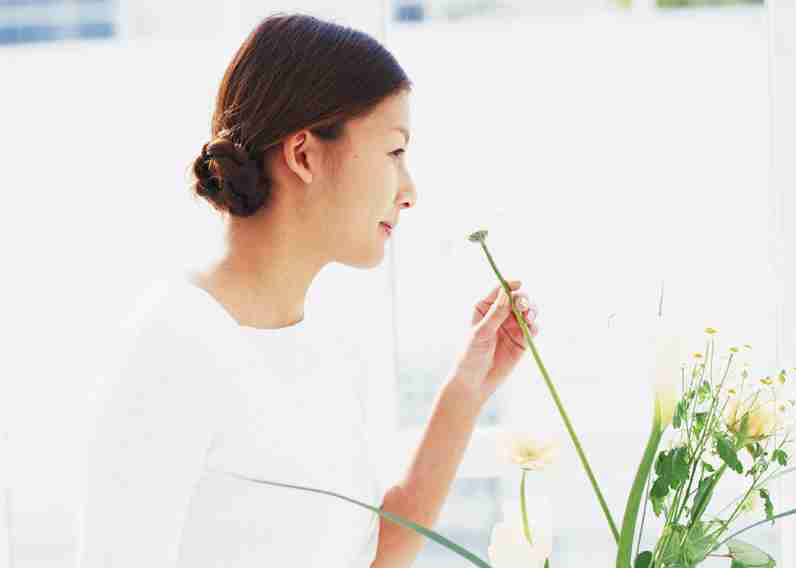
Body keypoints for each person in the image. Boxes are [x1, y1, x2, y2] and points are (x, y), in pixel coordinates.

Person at [76, 12, 539, 568]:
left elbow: (371, 557)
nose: (410, 190)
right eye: (395, 152)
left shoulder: (321, 346)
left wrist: (467, 391)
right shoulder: (173, 346)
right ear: (303, 154)